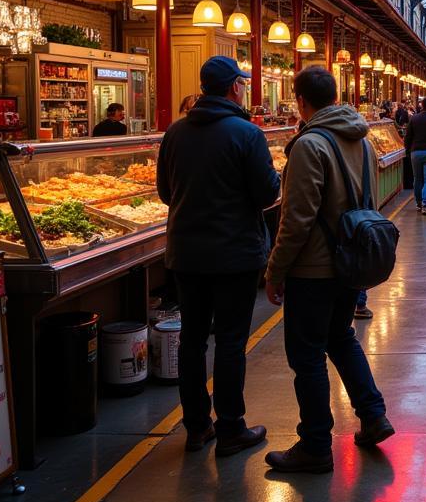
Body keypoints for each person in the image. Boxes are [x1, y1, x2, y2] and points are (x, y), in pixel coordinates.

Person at [263, 66, 391, 473]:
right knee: (341, 337)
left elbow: (297, 218)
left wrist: (275, 269)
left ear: (301, 101)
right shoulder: (363, 141)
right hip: (352, 261)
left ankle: (316, 443)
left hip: (314, 269)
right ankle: (373, 416)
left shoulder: (309, 145)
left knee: (307, 355)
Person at [157, 56, 280, 457]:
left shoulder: (175, 133)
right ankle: (231, 429)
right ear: (233, 88)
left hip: (186, 254)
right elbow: (267, 195)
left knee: (192, 341)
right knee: (230, 341)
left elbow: (164, 192)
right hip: (235, 255)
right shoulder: (246, 134)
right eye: (241, 83)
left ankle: (196, 427)